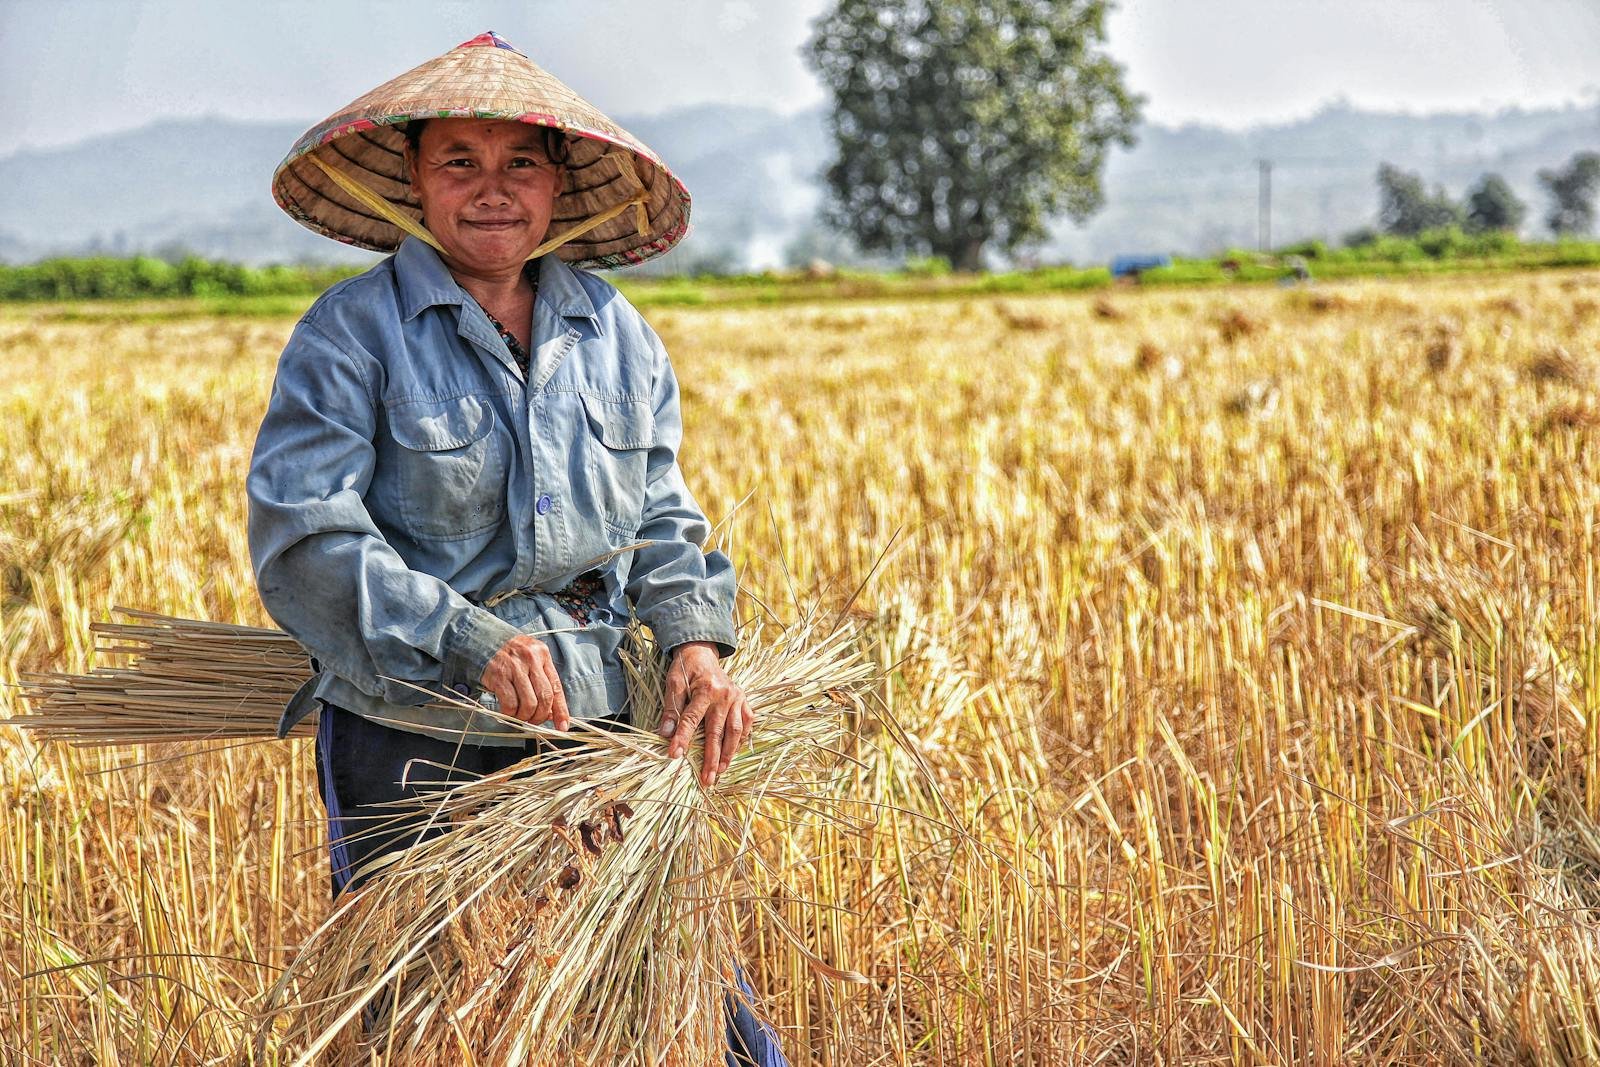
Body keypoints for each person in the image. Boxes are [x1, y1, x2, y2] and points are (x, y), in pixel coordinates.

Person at [246, 31, 784, 1065]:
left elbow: (663, 515)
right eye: (460, 161)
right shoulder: (350, 334)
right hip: (414, 725)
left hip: (600, 716)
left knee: (685, 997)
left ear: (557, 184)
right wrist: (466, 638)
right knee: (410, 1016)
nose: (491, 191)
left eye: (518, 164)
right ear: (414, 178)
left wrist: (694, 641)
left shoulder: (613, 331)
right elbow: (304, 534)